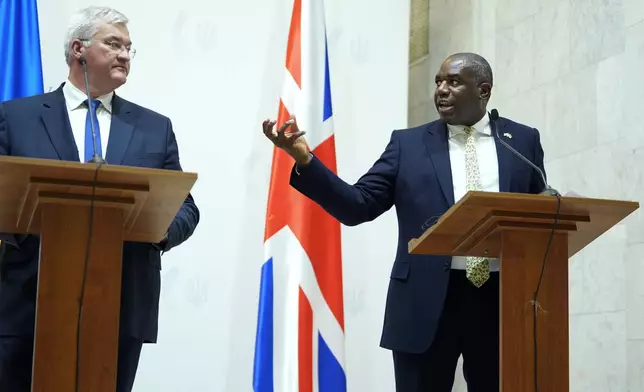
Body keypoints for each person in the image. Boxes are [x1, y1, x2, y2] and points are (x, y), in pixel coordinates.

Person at [262, 52, 547, 391]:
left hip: (499, 302)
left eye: (453, 82)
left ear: (483, 90)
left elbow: (538, 220)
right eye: (438, 82)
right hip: (425, 303)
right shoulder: (407, 145)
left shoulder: (522, 142)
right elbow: (358, 205)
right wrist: (306, 161)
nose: (441, 90)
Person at [0, 6, 199, 392]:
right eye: (113, 44)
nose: (125, 55)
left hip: (121, 306)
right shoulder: (16, 118)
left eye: (129, 48)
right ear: (78, 49)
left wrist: (156, 230)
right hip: (27, 303)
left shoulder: (154, 128)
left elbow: (185, 207)